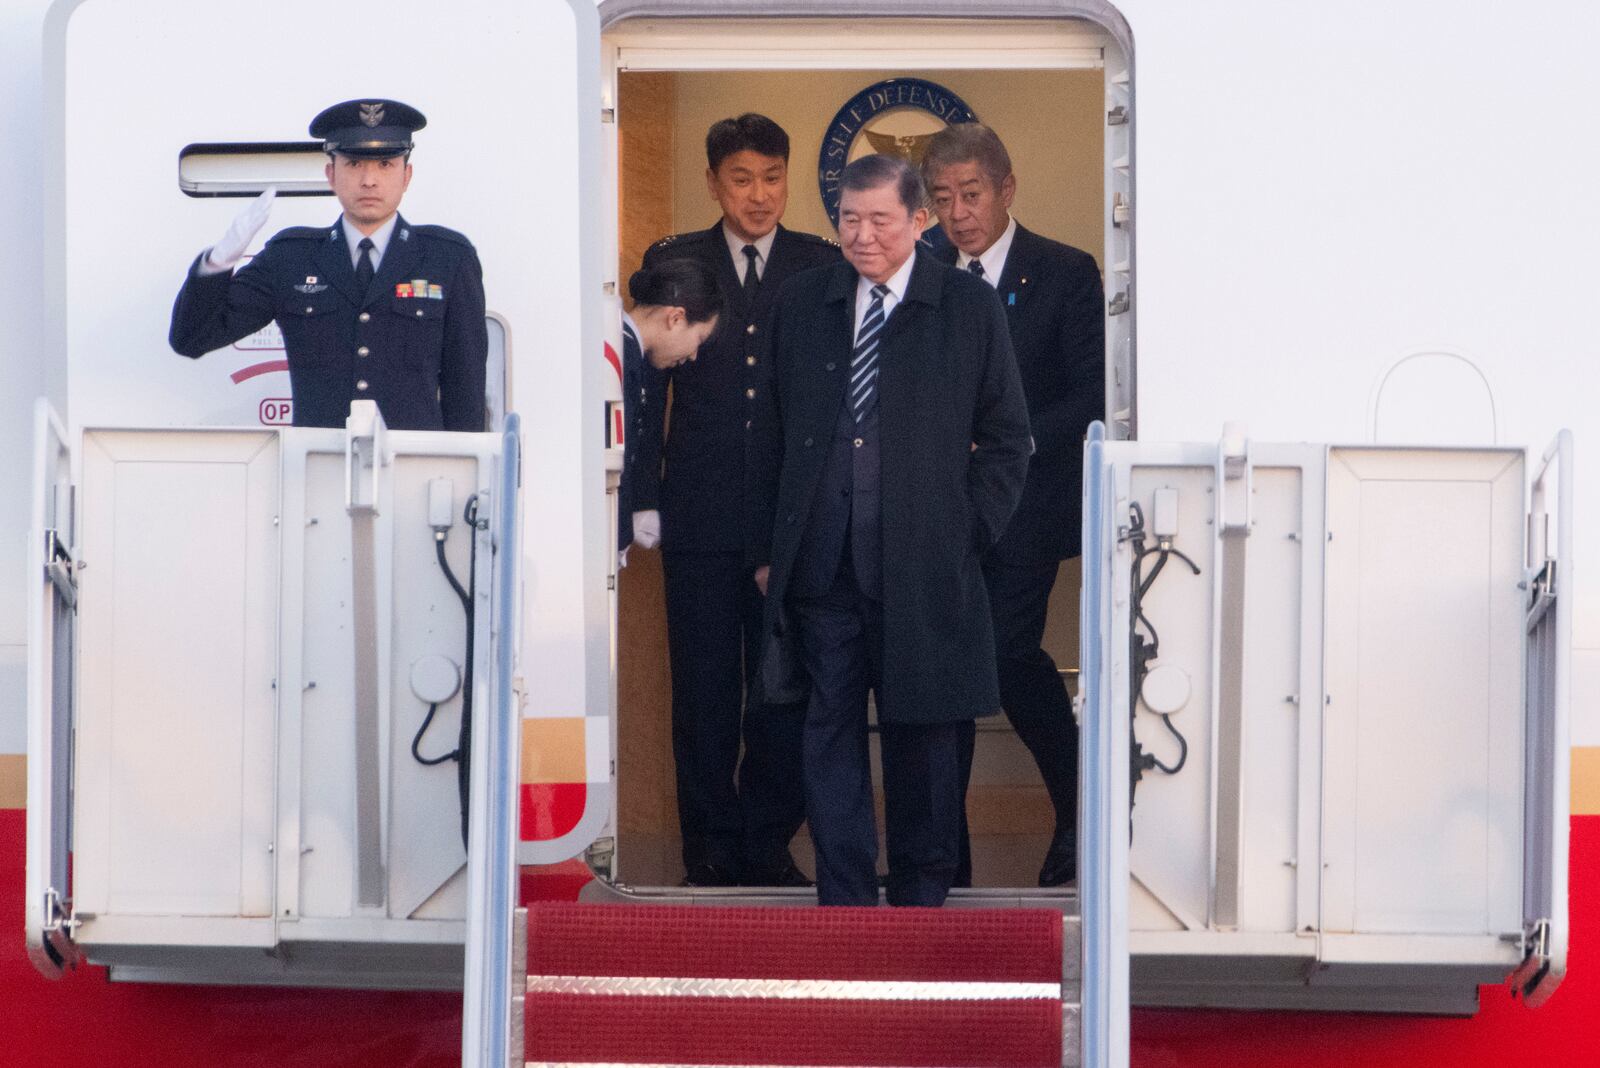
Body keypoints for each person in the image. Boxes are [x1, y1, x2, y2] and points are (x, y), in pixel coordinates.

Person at [747, 154, 1031, 907]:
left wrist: (965, 533)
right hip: (822, 566)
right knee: (827, 735)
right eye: (849, 219)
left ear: (919, 221)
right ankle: (844, 901)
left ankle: (920, 899)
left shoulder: (967, 309)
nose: (862, 236)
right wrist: (767, 552)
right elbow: (768, 435)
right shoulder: (804, 302)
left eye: (880, 221)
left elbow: (1007, 439)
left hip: (925, 567)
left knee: (925, 740)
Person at [636, 114, 840, 887]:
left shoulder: (819, 264)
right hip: (697, 515)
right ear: (714, 182)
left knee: (785, 694)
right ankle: (709, 850)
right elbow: (647, 381)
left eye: (773, 177)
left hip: (790, 523)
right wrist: (643, 498)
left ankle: (763, 839)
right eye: (743, 179)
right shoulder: (674, 260)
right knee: (705, 696)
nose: (761, 196)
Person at [921, 122, 1106, 888]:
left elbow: (1092, 394)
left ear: (1006, 189)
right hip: (941, 513)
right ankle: (945, 855)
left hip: (1029, 508)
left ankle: (1079, 816)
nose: (958, 213)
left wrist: (1006, 441)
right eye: (942, 199)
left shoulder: (1064, 271)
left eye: (971, 195)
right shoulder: (919, 271)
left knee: (1000, 657)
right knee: (943, 669)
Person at [170, 98, 488, 431]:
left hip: (414, 469)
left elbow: (465, 388)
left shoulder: (447, 259)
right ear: (330, 174)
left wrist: (458, 470)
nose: (369, 180)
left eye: (385, 165)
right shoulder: (291, 257)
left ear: (406, 175)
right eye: (353, 164)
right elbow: (192, 338)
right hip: (316, 467)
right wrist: (218, 263)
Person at [617, 259, 724, 554]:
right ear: (676, 318)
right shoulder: (621, 357)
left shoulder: (625, 350)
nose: (693, 355)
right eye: (699, 338)